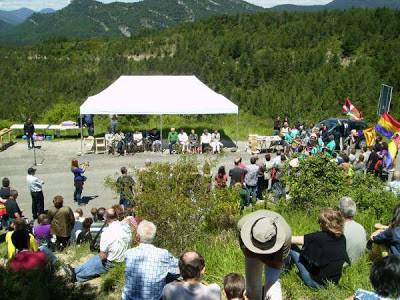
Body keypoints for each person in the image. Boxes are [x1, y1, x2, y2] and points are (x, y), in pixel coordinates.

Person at [237, 210, 292, 300]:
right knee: (252, 282)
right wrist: (263, 257)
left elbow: (276, 264)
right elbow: (247, 253)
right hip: (252, 250)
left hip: (274, 253)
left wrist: (257, 255)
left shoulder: (286, 236)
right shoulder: (242, 226)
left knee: (273, 283)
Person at [289, 208, 350, 288]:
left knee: (291, 245)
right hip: (334, 282)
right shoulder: (342, 237)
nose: (319, 224)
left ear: (325, 224)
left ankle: (281, 269)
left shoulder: (318, 237)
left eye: (320, 221)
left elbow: (290, 239)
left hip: (316, 283)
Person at [69, 208, 131, 282]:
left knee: (97, 262)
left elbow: (103, 257)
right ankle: (75, 270)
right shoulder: (126, 227)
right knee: (96, 258)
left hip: (113, 263)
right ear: (116, 216)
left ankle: (77, 277)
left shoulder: (106, 232)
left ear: (104, 218)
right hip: (125, 259)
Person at [122, 220, 179, 300]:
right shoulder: (163, 253)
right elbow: (179, 266)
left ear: (137, 237)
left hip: (128, 298)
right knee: (170, 274)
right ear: (154, 237)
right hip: (154, 298)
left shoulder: (128, 253)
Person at [338, 197, 367, 263]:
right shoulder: (361, 227)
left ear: (340, 212)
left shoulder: (339, 229)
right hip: (357, 264)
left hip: (343, 266)